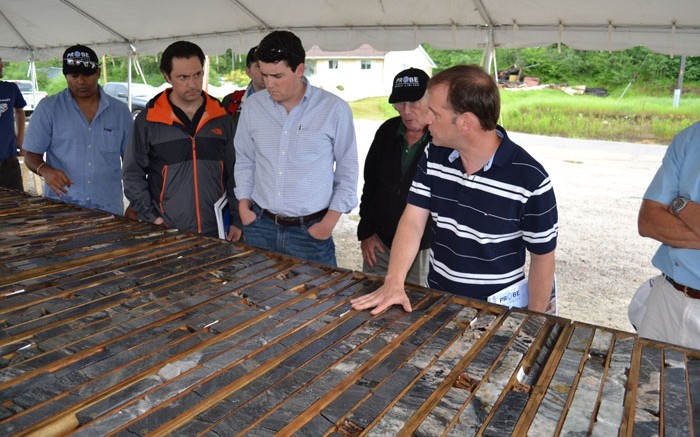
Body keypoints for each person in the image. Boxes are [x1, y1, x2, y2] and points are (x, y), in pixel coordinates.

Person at [351, 65, 558, 315]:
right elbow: (413, 221)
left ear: (465, 122)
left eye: (434, 114)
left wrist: (533, 321)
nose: (426, 120)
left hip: (498, 313)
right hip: (439, 302)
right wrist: (394, 282)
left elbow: (543, 258)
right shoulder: (434, 155)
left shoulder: (530, 179)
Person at [234, 30, 358, 266]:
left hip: (311, 231)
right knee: (256, 297)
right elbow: (245, 160)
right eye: (264, 74)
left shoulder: (334, 109)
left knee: (318, 300)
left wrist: (327, 224)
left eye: (277, 76)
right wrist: (244, 207)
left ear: (300, 70)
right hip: (259, 225)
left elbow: (347, 172)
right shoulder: (252, 107)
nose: (268, 83)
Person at [123, 40, 241, 240]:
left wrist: (237, 219)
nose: (193, 84)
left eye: (198, 74)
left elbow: (236, 172)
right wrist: (152, 218)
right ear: (167, 76)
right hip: (167, 230)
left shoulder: (221, 117)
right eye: (183, 77)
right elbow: (132, 174)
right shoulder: (149, 120)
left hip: (217, 230)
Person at [23, 45, 131, 215]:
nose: (81, 81)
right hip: (61, 207)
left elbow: (132, 162)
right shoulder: (48, 108)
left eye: (87, 74)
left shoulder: (120, 111)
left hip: (108, 208)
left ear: (98, 72)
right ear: (66, 76)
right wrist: (45, 170)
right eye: (74, 75)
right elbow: (30, 154)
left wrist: (135, 201)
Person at [358, 67, 432, 286]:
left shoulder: (442, 138)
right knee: (371, 301)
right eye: (400, 104)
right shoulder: (387, 131)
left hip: (421, 248)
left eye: (414, 103)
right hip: (380, 243)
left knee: (418, 310)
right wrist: (366, 232)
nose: (406, 111)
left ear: (430, 99)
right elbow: (370, 185)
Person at [634, 122, 700, 349]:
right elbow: (648, 221)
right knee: (645, 382)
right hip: (669, 299)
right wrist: (687, 208)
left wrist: (678, 206)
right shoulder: (691, 138)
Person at [0, 57, 27, 191]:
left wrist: (20, 140)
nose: (1, 65)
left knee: (17, 203)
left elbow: (19, 110)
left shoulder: (10, 88)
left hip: (9, 162)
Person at [221, 45, 265, 124]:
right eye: (258, 66)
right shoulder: (230, 101)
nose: (265, 70)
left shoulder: (286, 101)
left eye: (268, 65)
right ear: (248, 72)